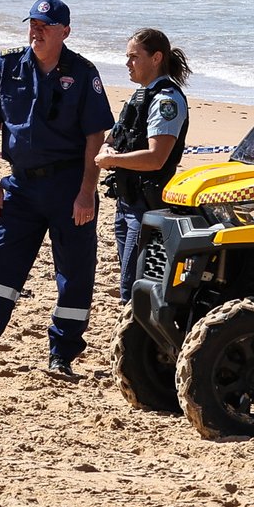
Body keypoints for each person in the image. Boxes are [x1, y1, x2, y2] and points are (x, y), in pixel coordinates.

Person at [0, 0, 114, 379]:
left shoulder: (83, 73)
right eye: (33, 23)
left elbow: (95, 136)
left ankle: (62, 355)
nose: (36, 30)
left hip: (68, 186)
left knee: (74, 275)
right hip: (20, 187)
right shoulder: (8, 66)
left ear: (64, 32)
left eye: (45, 25)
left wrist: (87, 192)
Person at [94, 28, 191, 302]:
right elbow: (113, 136)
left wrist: (112, 159)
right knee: (129, 283)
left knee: (134, 287)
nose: (127, 64)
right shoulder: (140, 97)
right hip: (127, 203)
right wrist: (107, 148)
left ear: (156, 58)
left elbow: (155, 157)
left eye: (134, 57)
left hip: (147, 208)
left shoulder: (166, 101)